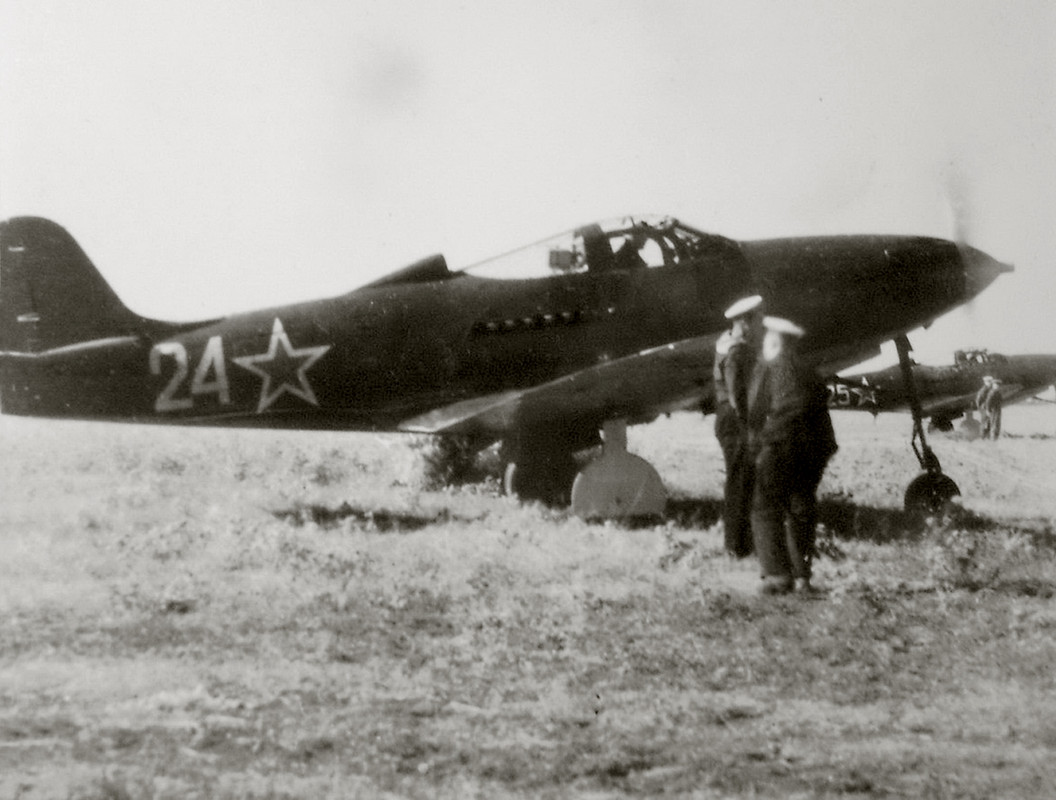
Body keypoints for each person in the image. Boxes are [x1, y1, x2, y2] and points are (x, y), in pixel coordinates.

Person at [747, 316, 838, 595]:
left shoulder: (768, 368)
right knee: (801, 509)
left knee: (764, 507)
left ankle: (777, 576)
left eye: (767, 340)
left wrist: (757, 444)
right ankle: (802, 578)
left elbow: (754, 410)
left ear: (774, 342)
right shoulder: (808, 370)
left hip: (778, 446)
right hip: (812, 449)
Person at [713, 295, 764, 557]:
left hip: (730, 418)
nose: (761, 324)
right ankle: (735, 546)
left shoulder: (728, 343)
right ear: (745, 322)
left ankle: (743, 543)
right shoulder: (737, 349)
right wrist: (749, 425)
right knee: (740, 481)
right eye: (758, 319)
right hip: (735, 420)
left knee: (743, 479)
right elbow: (736, 394)